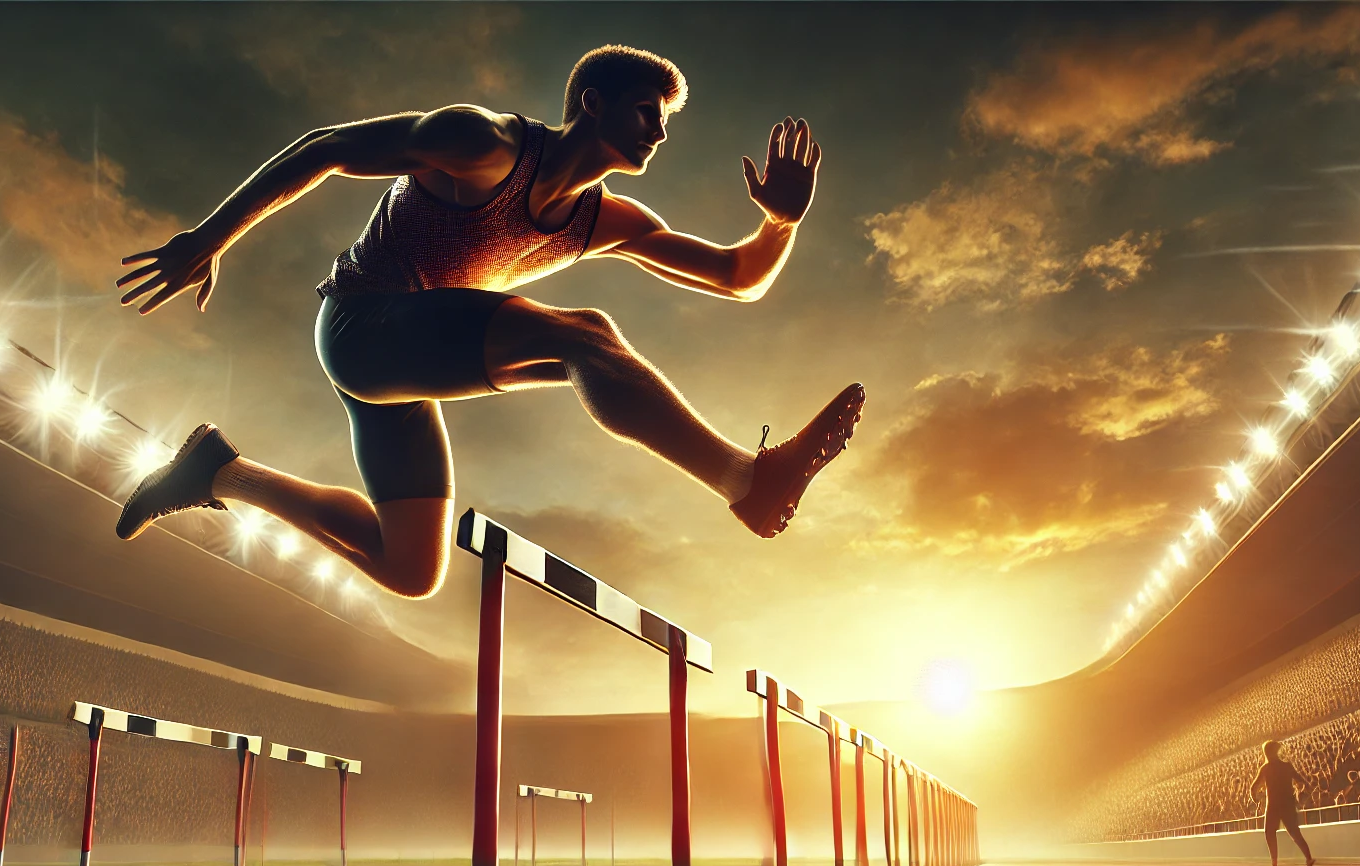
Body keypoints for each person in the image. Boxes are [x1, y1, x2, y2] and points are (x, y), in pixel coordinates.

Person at [112, 46, 864, 597]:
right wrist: (206, 240)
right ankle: (746, 482)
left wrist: (780, 224)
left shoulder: (605, 221)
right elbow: (329, 148)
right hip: (361, 326)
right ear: (593, 103)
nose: (660, 134)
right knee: (584, 334)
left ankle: (218, 471)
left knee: (410, 568)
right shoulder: (486, 144)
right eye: (649, 113)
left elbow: (736, 278)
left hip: (406, 371)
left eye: (665, 122)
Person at [1251, 739, 1319, 866]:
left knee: (1269, 833)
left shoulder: (1266, 768)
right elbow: (1302, 781)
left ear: (1266, 752)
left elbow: (1253, 787)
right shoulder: (1286, 766)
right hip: (1287, 803)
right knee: (1295, 833)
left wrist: (1256, 798)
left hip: (1273, 806)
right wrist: (1302, 793)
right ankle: (1309, 859)